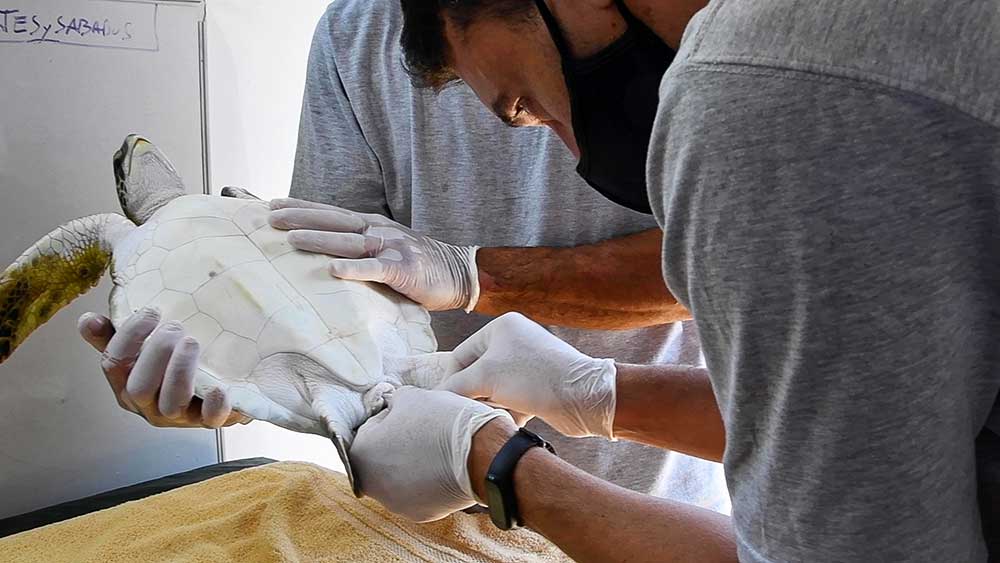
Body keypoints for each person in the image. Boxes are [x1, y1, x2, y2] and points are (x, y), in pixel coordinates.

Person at [301, 0, 999, 561]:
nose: (577, 152)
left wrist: (503, 467)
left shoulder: (756, 91)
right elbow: (880, 408)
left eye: (529, 104)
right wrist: (601, 392)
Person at [76, 0, 729, 516]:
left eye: (522, 103)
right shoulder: (352, 35)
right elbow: (321, 300)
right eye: (519, 109)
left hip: (667, 492)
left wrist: (476, 277)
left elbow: (734, 263)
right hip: (428, 491)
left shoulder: (718, 35)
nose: (577, 152)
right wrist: (244, 386)